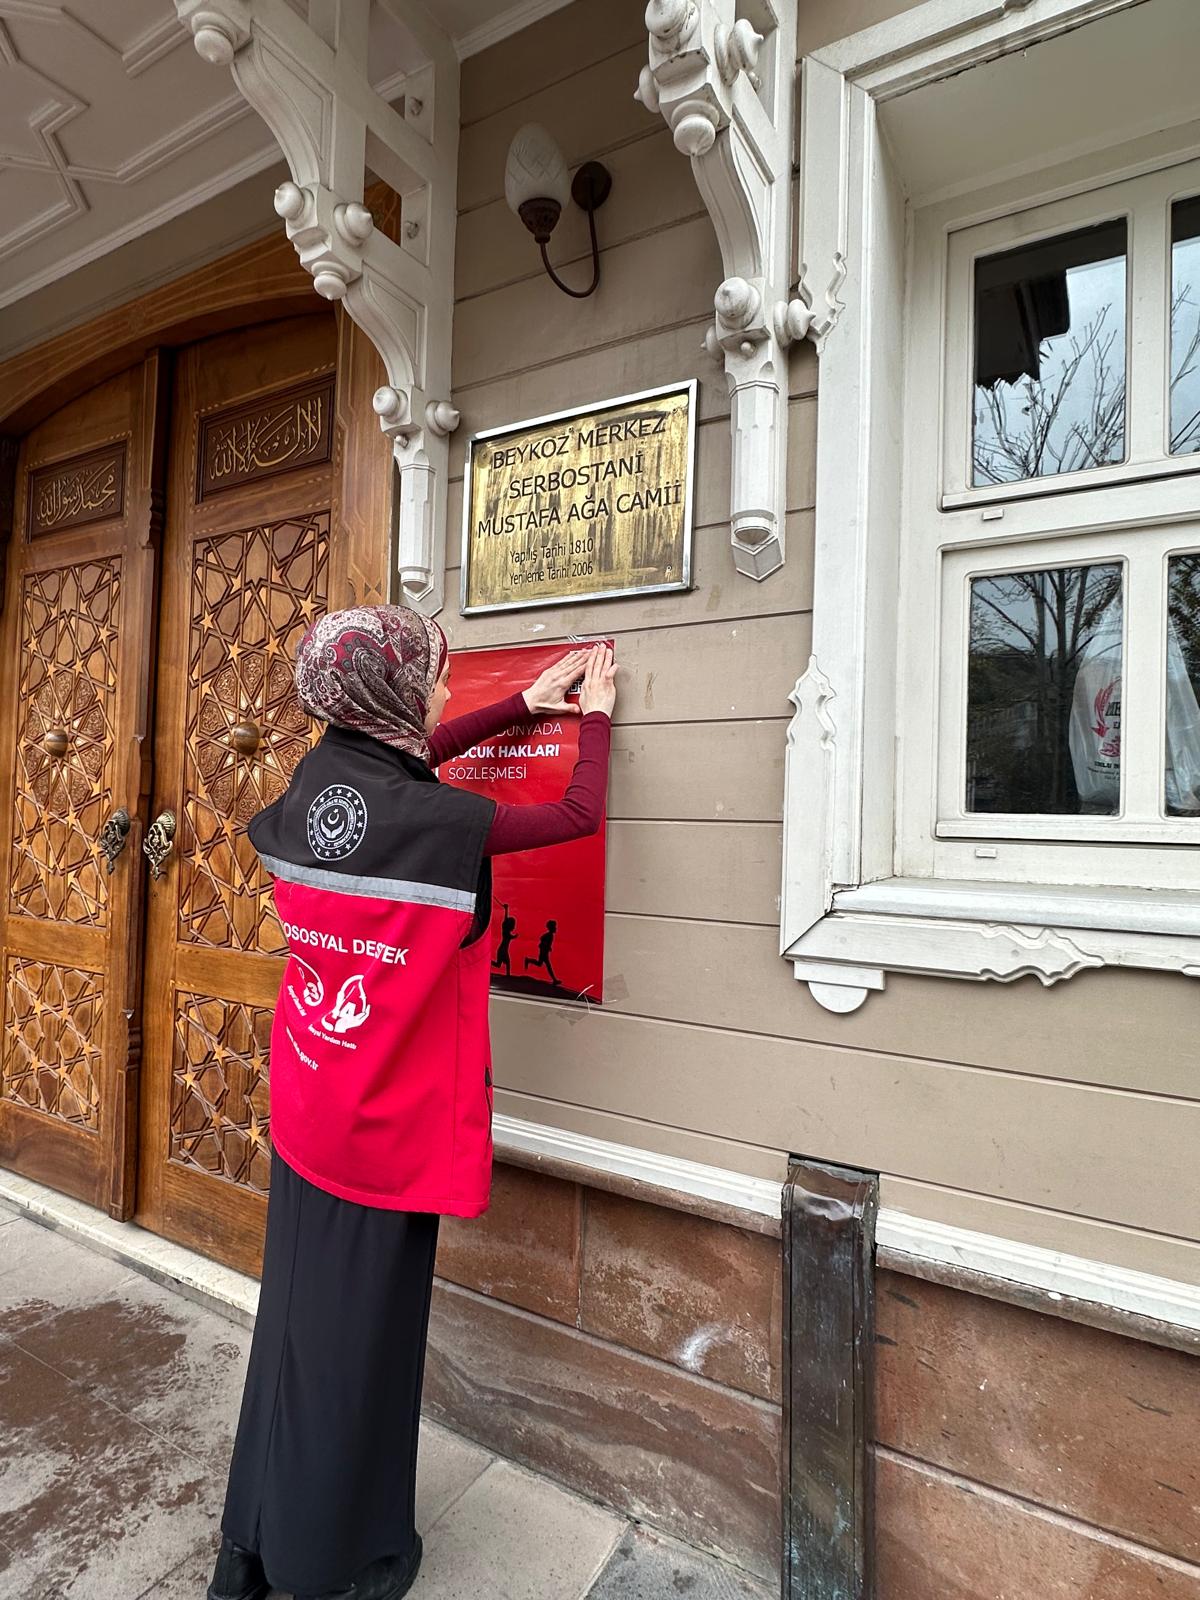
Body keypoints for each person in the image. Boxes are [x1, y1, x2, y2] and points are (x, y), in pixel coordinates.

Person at [207, 607, 618, 1600]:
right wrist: (593, 719)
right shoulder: (440, 826)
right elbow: (573, 818)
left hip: (311, 1103)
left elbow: (406, 767)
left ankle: (250, 1551)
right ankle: (324, 1562)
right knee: (359, 1350)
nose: (442, 693)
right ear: (388, 695)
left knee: (296, 1336)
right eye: (430, 679)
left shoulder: (318, 787)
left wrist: (520, 703)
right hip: (382, 1133)